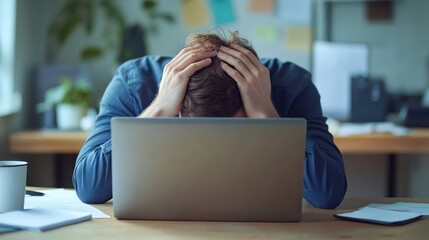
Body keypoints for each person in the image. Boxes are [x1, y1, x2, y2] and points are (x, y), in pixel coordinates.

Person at [73, 31, 347, 209]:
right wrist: (156, 112)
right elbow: (89, 187)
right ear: (179, 107)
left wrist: (266, 115)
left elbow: (327, 194)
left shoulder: (293, 85)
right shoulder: (133, 82)